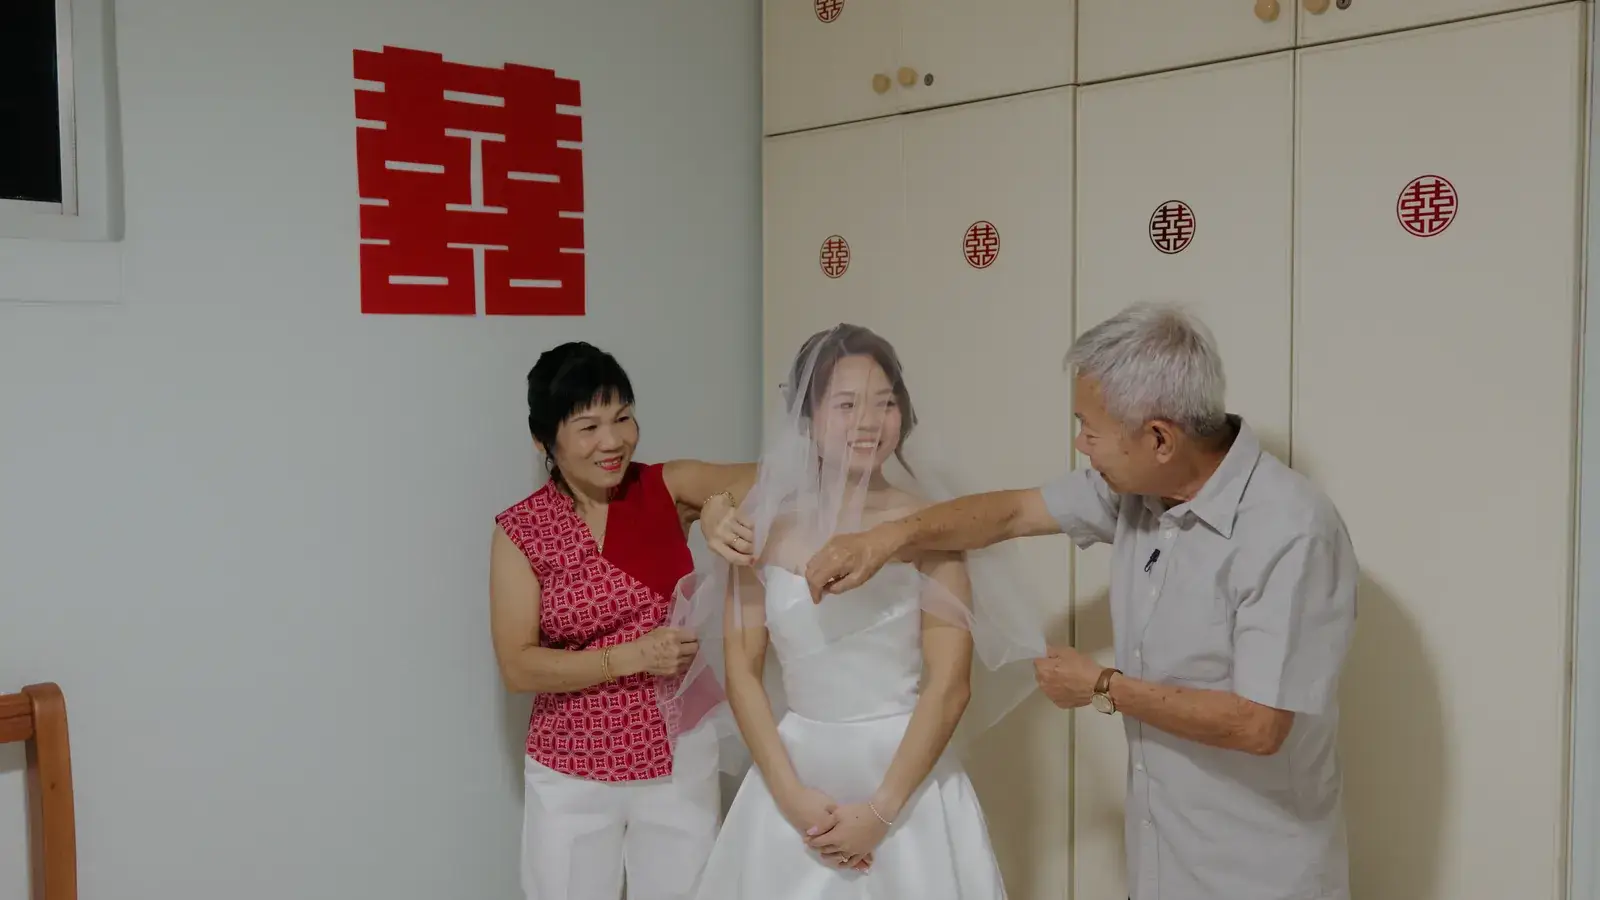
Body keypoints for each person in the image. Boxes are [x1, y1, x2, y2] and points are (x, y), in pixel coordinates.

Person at [768, 304, 1359, 900]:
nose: (1081, 445)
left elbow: (1260, 723)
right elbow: (1011, 512)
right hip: (1160, 860)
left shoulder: (1289, 530)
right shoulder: (1139, 488)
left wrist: (1103, 686)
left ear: (1159, 437)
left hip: (1258, 871)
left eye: (1090, 429)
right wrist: (885, 540)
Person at [667, 324, 1046, 899]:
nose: (869, 422)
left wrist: (882, 812)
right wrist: (790, 797)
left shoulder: (929, 526)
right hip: (793, 774)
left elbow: (950, 685)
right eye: (846, 404)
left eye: (885, 403)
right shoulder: (761, 527)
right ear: (808, 417)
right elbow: (743, 672)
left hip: (905, 777)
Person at [488, 341, 757, 900]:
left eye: (623, 417)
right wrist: (632, 657)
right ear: (544, 439)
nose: (612, 442)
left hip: (677, 754)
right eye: (587, 427)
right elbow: (519, 666)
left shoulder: (664, 486)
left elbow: (778, 482)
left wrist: (716, 506)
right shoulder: (522, 530)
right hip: (572, 768)